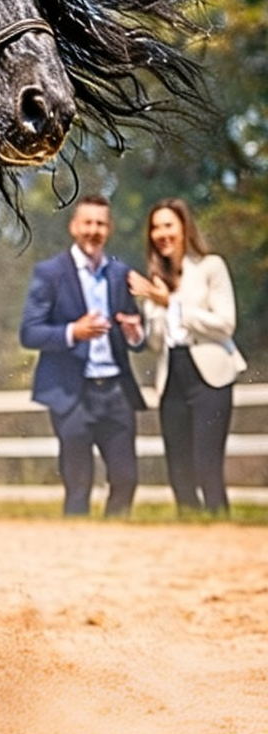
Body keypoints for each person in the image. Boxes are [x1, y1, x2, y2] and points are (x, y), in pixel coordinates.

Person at [19, 194, 146, 517]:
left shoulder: (120, 273)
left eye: (100, 224)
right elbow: (29, 332)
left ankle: (116, 540)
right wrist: (73, 332)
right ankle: (77, 545)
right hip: (71, 393)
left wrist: (135, 333)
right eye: (87, 222)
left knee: (126, 478)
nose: (94, 230)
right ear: (74, 227)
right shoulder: (50, 273)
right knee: (78, 486)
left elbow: (135, 335)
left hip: (116, 390)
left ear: (109, 229)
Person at [128, 198, 246, 515]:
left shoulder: (210, 267)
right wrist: (137, 329)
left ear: (184, 227)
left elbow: (225, 324)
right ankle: (189, 526)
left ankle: (219, 523)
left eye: (168, 225)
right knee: (178, 464)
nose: (161, 233)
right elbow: (156, 343)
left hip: (210, 375)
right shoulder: (156, 279)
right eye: (155, 227)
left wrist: (171, 303)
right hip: (172, 375)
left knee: (207, 463)